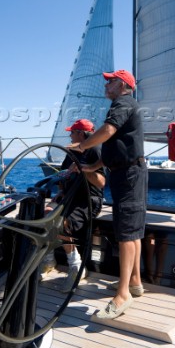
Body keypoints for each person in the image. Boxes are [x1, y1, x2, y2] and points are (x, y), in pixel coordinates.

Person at [68, 69, 148, 320]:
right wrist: (93, 166)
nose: (105, 85)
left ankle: (123, 295)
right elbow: (116, 147)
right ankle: (134, 282)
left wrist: (81, 145)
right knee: (132, 231)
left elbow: (109, 131)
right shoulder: (126, 104)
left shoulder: (122, 103)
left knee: (125, 233)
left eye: (110, 81)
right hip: (127, 172)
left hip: (129, 175)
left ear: (122, 85)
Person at [43, 119, 105, 293]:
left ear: (81, 133)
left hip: (88, 200)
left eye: (72, 132)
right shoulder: (72, 150)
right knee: (46, 213)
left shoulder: (95, 150)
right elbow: (64, 174)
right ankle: (49, 260)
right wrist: (60, 191)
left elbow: (101, 183)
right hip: (68, 196)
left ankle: (76, 266)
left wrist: (83, 169)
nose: (69, 135)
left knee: (60, 222)